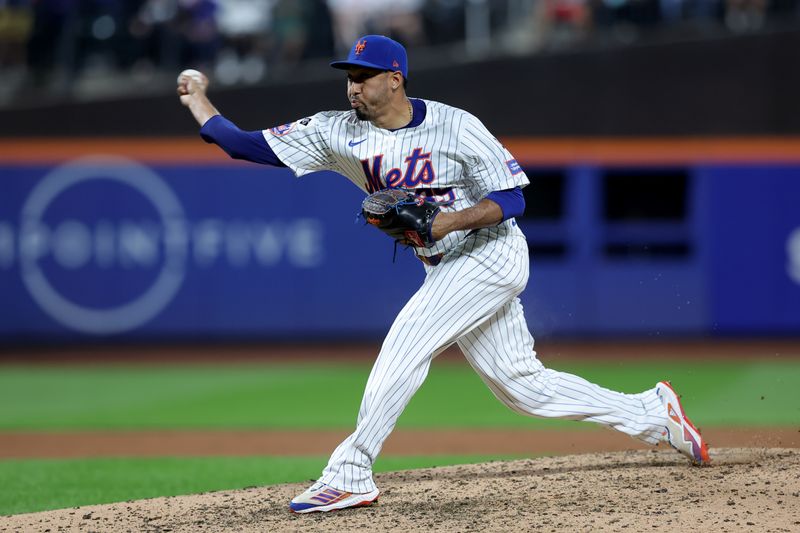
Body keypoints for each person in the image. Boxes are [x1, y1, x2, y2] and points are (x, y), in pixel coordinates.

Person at [177, 34, 710, 514]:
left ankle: (350, 472)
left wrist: (447, 221)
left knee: (406, 342)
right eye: (349, 78)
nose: (353, 88)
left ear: (395, 78)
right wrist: (197, 99)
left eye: (363, 78)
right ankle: (651, 413)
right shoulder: (335, 132)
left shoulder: (456, 124)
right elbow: (242, 143)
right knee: (522, 387)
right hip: (444, 266)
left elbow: (513, 197)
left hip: (490, 253)